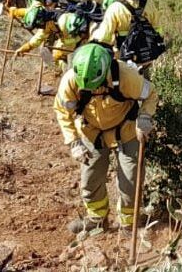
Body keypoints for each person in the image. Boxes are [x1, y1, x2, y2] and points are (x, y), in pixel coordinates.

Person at [53, 43, 156, 234]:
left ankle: (128, 223)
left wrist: (144, 117)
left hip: (126, 131)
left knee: (130, 181)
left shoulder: (125, 76)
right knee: (90, 180)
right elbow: (62, 110)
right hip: (92, 132)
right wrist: (74, 141)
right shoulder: (71, 81)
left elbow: (150, 94)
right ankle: (97, 219)